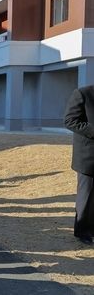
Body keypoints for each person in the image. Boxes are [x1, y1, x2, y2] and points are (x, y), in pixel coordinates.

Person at [64, 85, 94, 245]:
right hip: (89, 156)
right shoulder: (83, 93)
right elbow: (70, 120)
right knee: (87, 196)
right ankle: (82, 231)